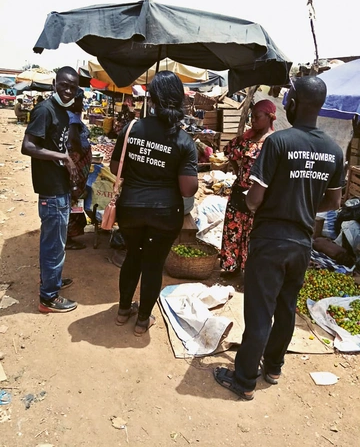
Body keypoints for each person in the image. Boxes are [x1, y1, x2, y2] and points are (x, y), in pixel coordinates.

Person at [213, 76, 344, 400]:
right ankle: (273, 368)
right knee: (285, 309)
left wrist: (254, 199)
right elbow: (333, 202)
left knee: (259, 311)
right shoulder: (332, 150)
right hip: (301, 242)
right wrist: (302, 199)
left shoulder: (278, 142)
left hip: (270, 239)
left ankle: (243, 380)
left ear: (294, 103)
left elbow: (255, 199)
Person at [110, 70, 198, 336]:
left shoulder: (132, 128)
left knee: (133, 257)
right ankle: (142, 321)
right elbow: (187, 189)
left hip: (130, 209)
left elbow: (117, 168)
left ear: (152, 98)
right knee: (153, 264)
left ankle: (123, 310)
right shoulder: (184, 140)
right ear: (180, 100)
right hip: (165, 214)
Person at [21, 66, 80, 313]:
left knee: (55, 241)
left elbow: (59, 144)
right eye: (64, 85)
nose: (67, 91)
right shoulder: (44, 110)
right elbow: (27, 146)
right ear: (55, 83)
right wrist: (63, 158)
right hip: (50, 189)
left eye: (72, 87)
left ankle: (51, 281)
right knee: (53, 244)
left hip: (59, 186)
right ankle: (48, 297)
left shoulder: (63, 113)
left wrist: (70, 163)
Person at [220, 100, 276, 277]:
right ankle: (231, 267)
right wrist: (238, 172)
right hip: (239, 192)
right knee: (233, 231)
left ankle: (248, 272)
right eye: (252, 117)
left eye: (257, 117)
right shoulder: (246, 140)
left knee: (252, 235)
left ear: (270, 117)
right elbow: (228, 152)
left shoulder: (274, 143)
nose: (253, 121)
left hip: (259, 197)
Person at [65, 88, 92, 250]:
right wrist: (81, 153)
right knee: (74, 199)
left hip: (75, 166)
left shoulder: (67, 115)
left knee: (74, 198)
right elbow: (73, 139)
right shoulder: (72, 117)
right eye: (81, 101)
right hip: (76, 167)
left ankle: (68, 234)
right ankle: (68, 236)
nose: (82, 104)